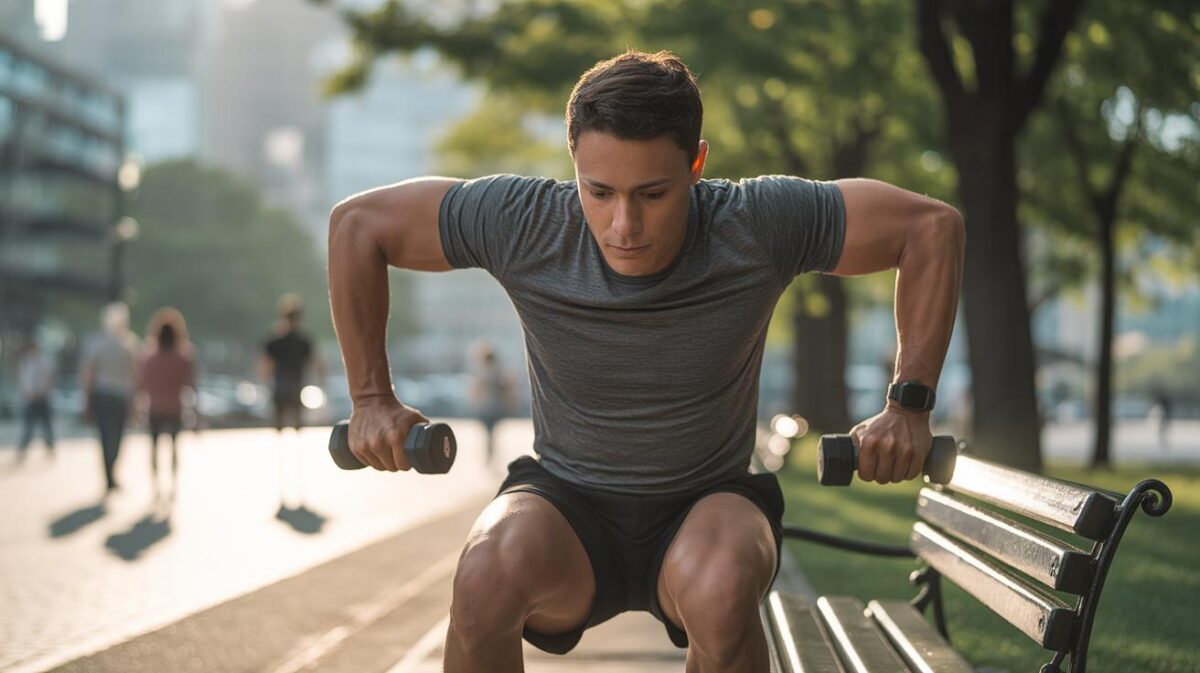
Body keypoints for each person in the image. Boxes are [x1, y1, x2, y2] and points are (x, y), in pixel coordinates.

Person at [327, 51, 964, 673]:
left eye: (653, 193)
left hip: (707, 505)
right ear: (573, 160)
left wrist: (908, 406)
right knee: (483, 578)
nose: (623, 224)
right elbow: (358, 226)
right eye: (598, 192)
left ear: (697, 163)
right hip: (567, 505)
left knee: (721, 591)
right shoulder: (523, 221)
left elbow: (931, 228)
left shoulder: (756, 221)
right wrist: (371, 399)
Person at [260, 293, 322, 511]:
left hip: (279, 389)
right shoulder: (304, 341)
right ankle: (297, 476)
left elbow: (266, 369)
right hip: (296, 389)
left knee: (279, 435)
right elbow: (315, 364)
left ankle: (281, 475)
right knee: (297, 434)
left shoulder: (273, 340)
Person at [80, 302, 139, 493]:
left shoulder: (99, 343)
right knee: (117, 436)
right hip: (119, 396)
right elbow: (135, 377)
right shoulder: (130, 343)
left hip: (105, 395)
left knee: (107, 436)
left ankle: (109, 474)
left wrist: (86, 399)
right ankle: (111, 473)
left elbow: (88, 374)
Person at [138, 308, 196, 496]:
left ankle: (156, 486)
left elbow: (142, 384)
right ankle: (173, 484)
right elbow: (191, 385)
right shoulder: (183, 357)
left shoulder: (149, 357)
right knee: (174, 447)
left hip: (155, 407)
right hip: (175, 407)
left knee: (154, 447)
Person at [468, 339, 517, 464]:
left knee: (489, 431)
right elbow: (507, 387)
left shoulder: (482, 370)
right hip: (496, 405)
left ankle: (489, 453)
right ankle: (491, 453)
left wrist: (474, 402)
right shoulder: (499, 370)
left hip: (486, 406)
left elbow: (477, 388)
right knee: (491, 431)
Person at [17, 339, 57, 461]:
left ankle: (50, 446)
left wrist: (43, 392)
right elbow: (24, 381)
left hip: (41, 398)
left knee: (46, 425)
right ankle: (23, 448)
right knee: (28, 426)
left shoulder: (43, 362)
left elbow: (49, 379)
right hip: (30, 399)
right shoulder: (26, 363)